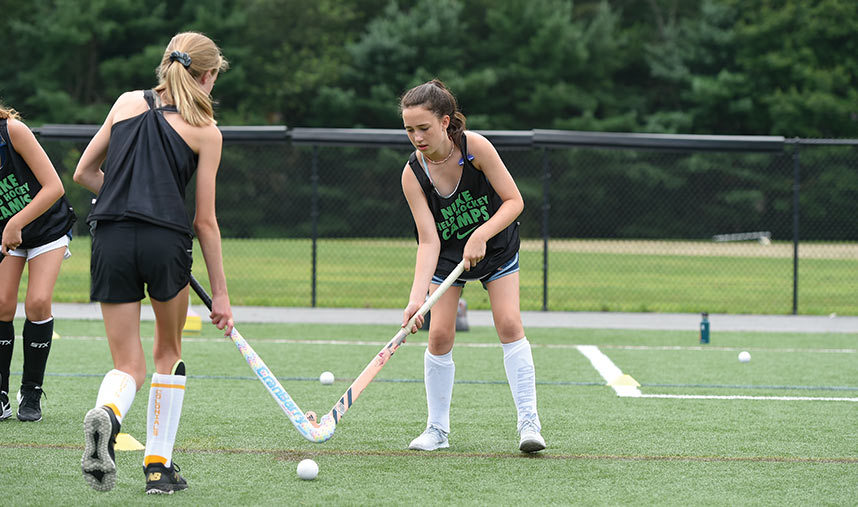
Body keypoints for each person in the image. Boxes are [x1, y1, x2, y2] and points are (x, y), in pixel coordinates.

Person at [73, 32, 233, 494]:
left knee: (128, 363)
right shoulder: (206, 130)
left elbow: (84, 172)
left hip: (110, 237)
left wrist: (125, 196)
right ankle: (159, 468)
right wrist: (220, 295)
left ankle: (109, 414)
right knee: (168, 353)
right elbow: (205, 222)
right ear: (207, 76)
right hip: (166, 242)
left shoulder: (125, 102)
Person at [399, 79, 545, 453]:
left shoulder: (474, 148)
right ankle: (437, 430)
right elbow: (428, 241)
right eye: (410, 130)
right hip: (448, 255)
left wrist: (480, 234)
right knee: (439, 335)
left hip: (495, 246)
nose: (417, 137)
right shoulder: (413, 175)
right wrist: (416, 300)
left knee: (509, 323)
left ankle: (529, 423)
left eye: (424, 128)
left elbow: (514, 201)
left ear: (445, 122)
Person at [0, 104, 76, 423]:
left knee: (38, 302)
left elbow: (54, 187)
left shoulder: (13, 131)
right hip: (7, 231)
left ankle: (31, 391)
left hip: (47, 227)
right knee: (2, 303)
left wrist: (16, 222)